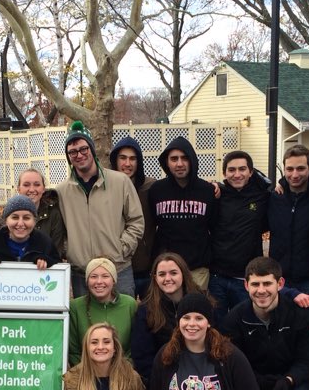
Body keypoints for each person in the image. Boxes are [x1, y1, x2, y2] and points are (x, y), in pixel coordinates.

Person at [221, 257, 309, 390]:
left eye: (267, 283)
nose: (261, 290)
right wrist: (257, 381)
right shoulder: (234, 319)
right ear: (246, 285)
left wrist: (289, 380)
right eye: (255, 284)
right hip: (254, 382)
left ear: (280, 283)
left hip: (291, 380)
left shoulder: (300, 313)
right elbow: (231, 362)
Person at [57, 121, 144, 297]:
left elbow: (136, 221)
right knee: (86, 324)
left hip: (118, 269)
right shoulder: (61, 192)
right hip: (82, 274)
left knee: (123, 322)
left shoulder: (120, 182)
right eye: (72, 152)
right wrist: (71, 251)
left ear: (92, 149)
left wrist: (122, 249)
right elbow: (60, 230)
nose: (79, 155)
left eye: (83, 149)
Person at [148, 137, 218, 289]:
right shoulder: (156, 190)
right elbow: (151, 226)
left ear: (192, 160)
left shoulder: (207, 191)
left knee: (194, 311)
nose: (179, 164)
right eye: (174, 159)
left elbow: (215, 228)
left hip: (197, 269)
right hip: (166, 269)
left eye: (185, 158)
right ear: (166, 162)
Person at [209, 150, 270, 319]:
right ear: (224, 173)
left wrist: (282, 186)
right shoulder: (216, 195)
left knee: (246, 325)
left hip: (246, 279)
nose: (237, 174)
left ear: (251, 172)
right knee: (217, 327)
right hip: (217, 277)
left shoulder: (262, 196)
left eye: (242, 169)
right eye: (231, 170)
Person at [131, 252, 205, 385]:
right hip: (164, 379)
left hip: (201, 376)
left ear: (183, 273)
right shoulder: (146, 310)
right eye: (162, 274)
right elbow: (142, 357)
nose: (167, 278)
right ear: (155, 278)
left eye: (173, 273)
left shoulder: (201, 302)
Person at [266, 144, 309, 297]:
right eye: (290, 169)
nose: (295, 174)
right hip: (280, 278)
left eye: (300, 168)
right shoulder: (275, 198)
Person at [68, 257, 136, 366]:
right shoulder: (75, 307)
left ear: (113, 280)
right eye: (93, 276)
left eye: (105, 276)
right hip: (86, 374)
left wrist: (122, 370)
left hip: (123, 373)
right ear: (87, 281)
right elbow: (73, 351)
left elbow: (134, 348)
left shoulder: (129, 304)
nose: (99, 281)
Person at [110, 137, 156, 297]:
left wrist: (215, 186)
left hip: (146, 267)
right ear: (115, 160)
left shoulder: (150, 187)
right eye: (123, 158)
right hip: (117, 266)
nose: (127, 164)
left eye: (132, 158)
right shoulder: (104, 187)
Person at [0, 194, 60, 269]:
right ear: (6, 220)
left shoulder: (45, 242)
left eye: (26, 218)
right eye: (15, 217)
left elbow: (59, 268)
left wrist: (48, 262)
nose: (20, 223)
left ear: (34, 221)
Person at [17, 168, 66, 258]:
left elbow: (56, 250)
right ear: (18, 189)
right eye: (26, 185)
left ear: (43, 188)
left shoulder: (53, 214)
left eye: (37, 185)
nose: (31, 189)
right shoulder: (10, 214)